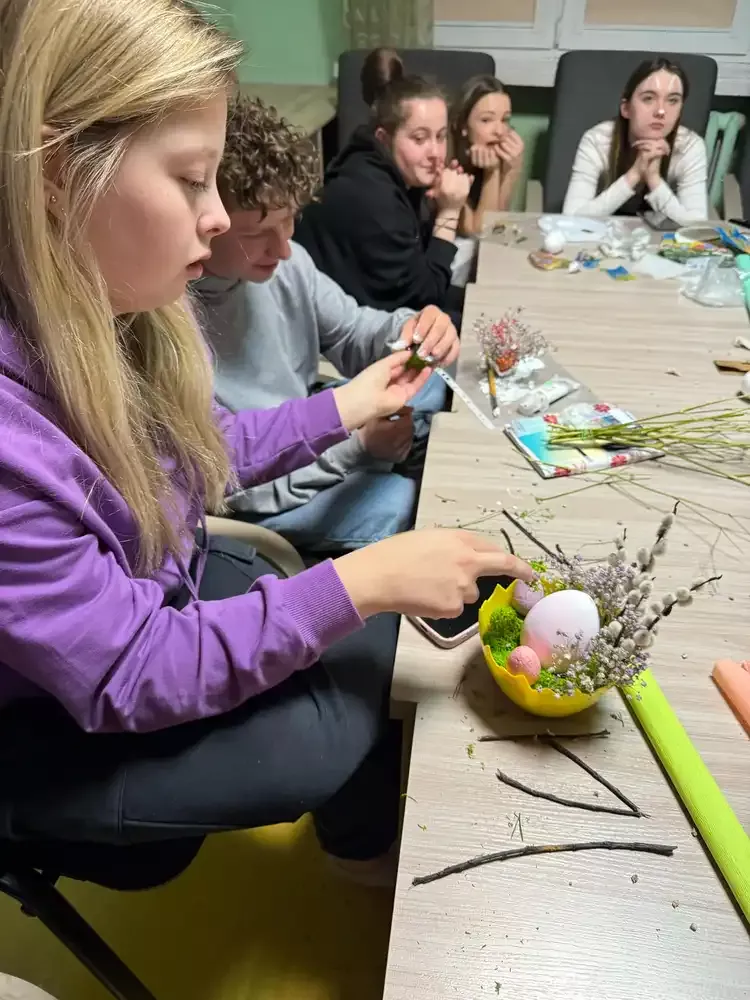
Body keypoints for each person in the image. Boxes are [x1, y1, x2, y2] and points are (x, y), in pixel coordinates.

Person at [0, 0, 532, 889]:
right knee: (342, 690)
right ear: (59, 171)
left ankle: (361, 842)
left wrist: (348, 404)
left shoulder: (114, 314)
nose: (217, 218)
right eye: (191, 180)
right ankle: (360, 852)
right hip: (55, 723)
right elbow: (130, 668)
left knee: (365, 640)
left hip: (155, 587)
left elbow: (199, 449)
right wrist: (362, 580)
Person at [195, 97, 459, 553]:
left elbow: (353, 330)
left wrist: (412, 330)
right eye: (257, 234)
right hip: (258, 496)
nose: (283, 249)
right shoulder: (178, 321)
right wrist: (357, 449)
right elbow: (234, 482)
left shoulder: (288, 264)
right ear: (207, 223)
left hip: (309, 431)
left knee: (435, 381)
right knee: (404, 501)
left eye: (289, 221)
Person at [295, 47, 472, 321]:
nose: (436, 153)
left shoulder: (389, 166)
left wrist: (435, 205)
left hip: (381, 299)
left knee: (481, 304)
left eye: (440, 136)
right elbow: (427, 297)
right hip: (332, 322)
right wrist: (449, 212)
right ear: (384, 138)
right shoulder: (374, 198)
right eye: (419, 138)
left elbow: (418, 262)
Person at [562, 57, 708, 225]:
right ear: (626, 108)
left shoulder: (690, 147)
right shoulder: (597, 140)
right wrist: (634, 175)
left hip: (663, 238)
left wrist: (654, 180)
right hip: (602, 232)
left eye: (673, 100)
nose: (661, 111)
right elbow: (571, 219)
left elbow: (696, 226)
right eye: (648, 98)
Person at [451, 75, 525, 236]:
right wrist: (491, 173)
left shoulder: (499, 156)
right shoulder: (449, 162)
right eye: (486, 120)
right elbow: (478, 232)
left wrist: (511, 171)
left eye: (505, 120)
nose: (499, 131)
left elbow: (497, 222)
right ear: (463, 126)